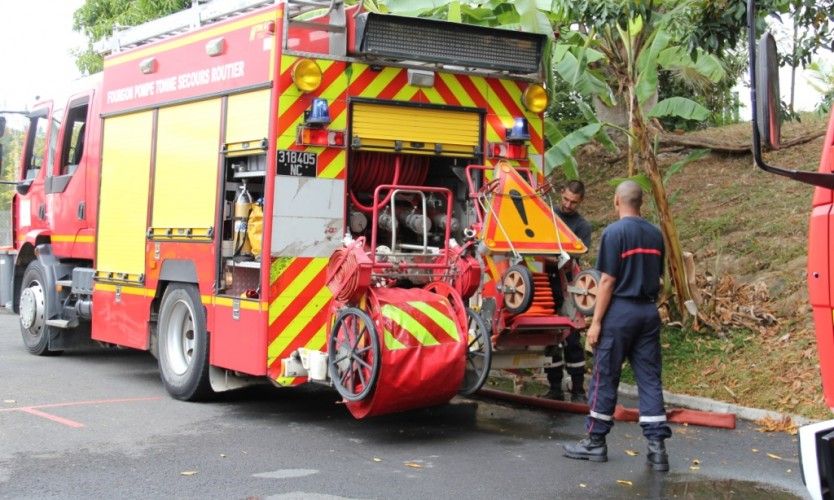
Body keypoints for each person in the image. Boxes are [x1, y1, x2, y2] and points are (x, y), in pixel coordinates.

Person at [563, 180, 671, 472]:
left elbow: (607, 281)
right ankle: (657, 449)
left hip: (620, 312)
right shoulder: (655, 234)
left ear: (616, 201)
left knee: (605, 375)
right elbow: (659, 280)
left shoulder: (614, 233)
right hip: (648, 312)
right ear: (641, 203)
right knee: (649, 378)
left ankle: (595, 442)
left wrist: (596, 322)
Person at [544, 180, 592, 402]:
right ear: (561, 192)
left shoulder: (582, 227)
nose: (568, 205)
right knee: (549, 336)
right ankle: (554, 387)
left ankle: (578, 389)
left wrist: (542, 257)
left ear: (581, 202)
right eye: (565, 199)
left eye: (574, 202)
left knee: (572, 335)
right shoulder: (547, 216)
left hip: (568, 284)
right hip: (544, 282)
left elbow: (570, 259)